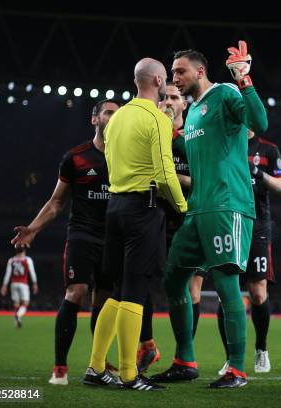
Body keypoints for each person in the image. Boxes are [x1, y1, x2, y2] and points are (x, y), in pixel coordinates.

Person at [151, 41, 268, 388]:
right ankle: (185, 360)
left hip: (227, 204)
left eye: (180, 71)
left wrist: (244, 79)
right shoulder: (194, 113)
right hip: (198, 210)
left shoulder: (225, 94)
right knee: (174, 279)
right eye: (172, 73)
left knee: (227, 283)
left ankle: (236, 369)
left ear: (200, 70)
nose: (175, 78)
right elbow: (191, 154)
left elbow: (259, 122)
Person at [83, 57, 187, 391]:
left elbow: (111, 166)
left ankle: (96, 367)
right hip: (144, 209)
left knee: (114, 291)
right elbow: (164, 171)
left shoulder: (116, 119)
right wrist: (182, 207)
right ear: (158, 81)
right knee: (135, 291)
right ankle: (129, 374)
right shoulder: (155, 118)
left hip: (115, 207)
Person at [10, 99, 120, 385]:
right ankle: (60, 368)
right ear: (94, 119)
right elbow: (57, 202)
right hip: (82, 235)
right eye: (108, 112)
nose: (113, 117)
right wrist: (33, 229)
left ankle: (99, 364)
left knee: (105, 302)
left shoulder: (127, 156)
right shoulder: (76, 157)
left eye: (118, 114)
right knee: (76, 293)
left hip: (114, 240)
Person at [216, 129, 281, 375]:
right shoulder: (223, 142)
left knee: (257, 293)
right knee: (226, 291)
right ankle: (230, 358)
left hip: (257, 224)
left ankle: (261, 349)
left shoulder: (269, 149)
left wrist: (260, 174)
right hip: (226, 220)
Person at [136, 83, 190, 373]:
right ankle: (147, 345)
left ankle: (183, 358)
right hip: (152, 219)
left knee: (190, 294)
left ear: (184, 104)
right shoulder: (151, 137)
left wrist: (172, 177)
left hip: (186, 223)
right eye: (164, 97)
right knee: (140, 281)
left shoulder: (192, 139)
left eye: (174, 97)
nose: (168, 101)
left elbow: (204, 181)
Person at [0, 248, 38, 329]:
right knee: (25, 304)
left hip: (13, 284)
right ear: (24, 251)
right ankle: (18, 315)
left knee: (16, 304)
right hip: (23, 284)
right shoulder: (27, 259)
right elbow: (32, 272)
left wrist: (4, 285)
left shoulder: (11, 260)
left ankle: (17, 323)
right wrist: (34, 283)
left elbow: (8, 273)